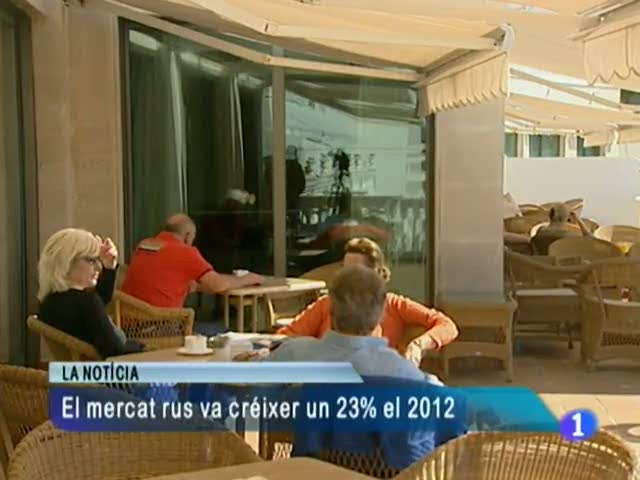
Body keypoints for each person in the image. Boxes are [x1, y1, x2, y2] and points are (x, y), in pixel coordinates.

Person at [277, 238, 458, 361]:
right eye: (344, 269)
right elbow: (285, 338)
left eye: (355, 272)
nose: (347, 277)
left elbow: (446, 324)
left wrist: (418, 344)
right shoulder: (328, 303)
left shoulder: (394, 304)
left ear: (376, 273)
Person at [267, 265, 439, 382]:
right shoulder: (402, 373)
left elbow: (254, 397)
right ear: (381, 314)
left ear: (331, 309)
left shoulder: (292, 355)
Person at [38, 228, 144, 358]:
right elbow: (115, 351)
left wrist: (109, 267)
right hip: (116, 367)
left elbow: (97, 306)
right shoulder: (86, 302)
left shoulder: (50, 301)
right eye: (91, 260)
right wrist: (144, 348)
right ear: (67, 262)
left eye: (98, 260)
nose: (98, 267)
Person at [122, 214, 263, 308]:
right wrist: (247, 279)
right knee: (221, 332)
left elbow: (162, 280)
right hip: (162, 325)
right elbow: (219, 285)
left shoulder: (144, 245)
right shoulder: (184, 251)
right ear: (187, 236)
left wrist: (196, 286)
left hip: (130, 322)